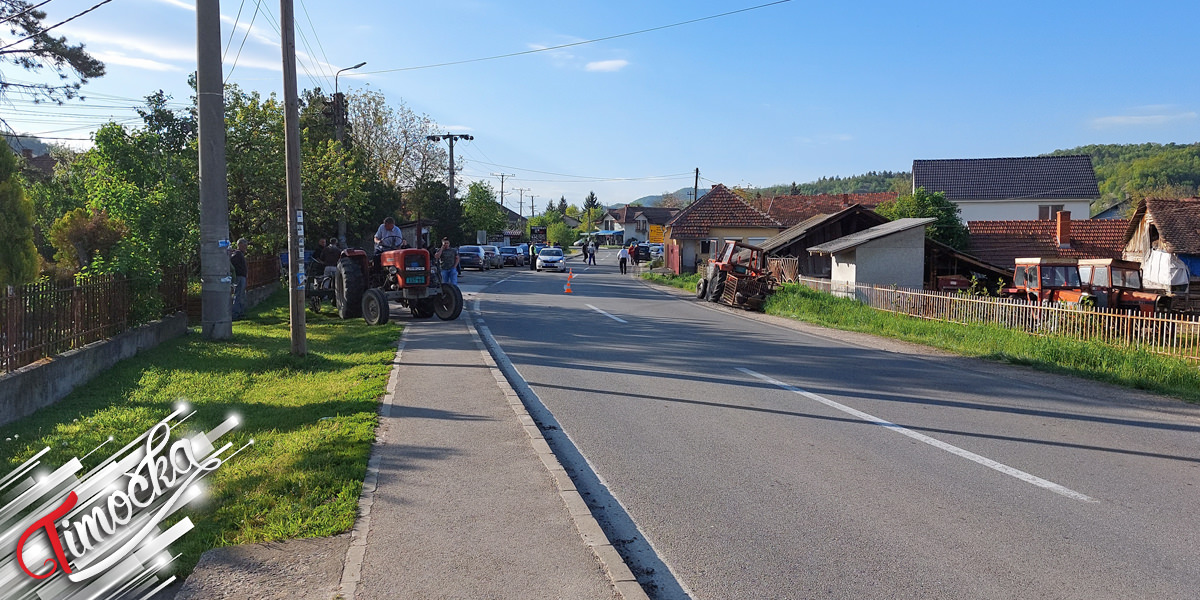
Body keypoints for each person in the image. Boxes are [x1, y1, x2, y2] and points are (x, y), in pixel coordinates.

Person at [229, 238, 248, 320]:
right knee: (238, 295)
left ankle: (240, 312)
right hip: (239, 276)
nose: (246, 247)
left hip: (241, 276)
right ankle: (235, 314)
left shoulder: (240, 254)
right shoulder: (237, 254)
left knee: (241, 295)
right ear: (239, 245)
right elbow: (232, 262)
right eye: (244, 245)